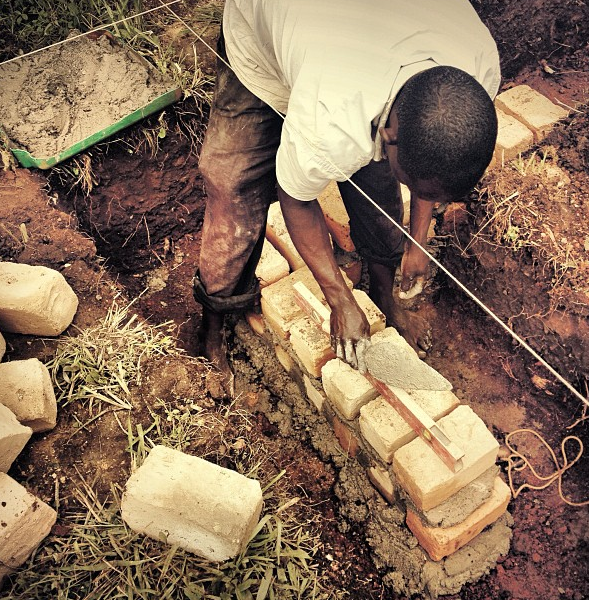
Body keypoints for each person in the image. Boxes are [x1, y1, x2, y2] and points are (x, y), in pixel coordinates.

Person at [193, 0, 500, 395]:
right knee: (233, 189)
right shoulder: (333, 121)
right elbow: (294, 198)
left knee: (376, 190)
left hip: (348, 56)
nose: (423, 197)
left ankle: (383, 302)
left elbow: (433, 168)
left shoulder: (476, 67)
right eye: (416, 185)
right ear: (388, 136)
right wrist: (337, 297)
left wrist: (418, 240)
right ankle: (213, 325)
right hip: (263, 50)